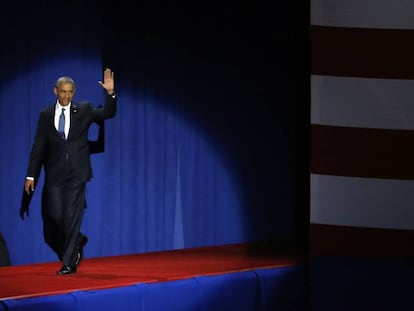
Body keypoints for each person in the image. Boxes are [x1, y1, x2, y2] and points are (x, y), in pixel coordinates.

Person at [20, 68, 117, 275]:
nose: (66, 96)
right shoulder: (45, 115)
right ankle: (77, 242)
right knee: (54, 218)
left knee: (73, 217)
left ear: (74, 92)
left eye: (70, 92)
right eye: (63, 91)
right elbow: (38, 147)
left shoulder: (84, 109)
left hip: (77, 173)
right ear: (56, 91)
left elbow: (108, 113)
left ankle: (69, 263)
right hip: (54, 174)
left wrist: (111, 95)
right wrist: (30, 175)